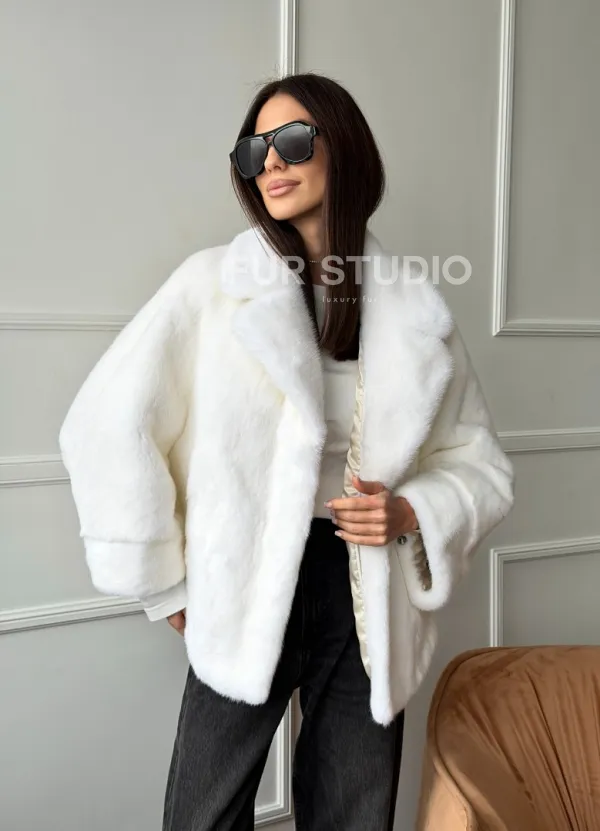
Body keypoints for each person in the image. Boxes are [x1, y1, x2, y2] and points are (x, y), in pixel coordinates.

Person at [59, 72, 515, 830]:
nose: (270, 161)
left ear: (346, 149)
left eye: (294, 141)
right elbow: (104, 424)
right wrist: (164, 585)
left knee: (353, 812)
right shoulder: (210, 286)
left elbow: (480, 463)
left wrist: (411, 510)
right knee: (203, 815)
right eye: (254, 150)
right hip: (244, 576)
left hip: (365, 587)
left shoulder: (411, 305)